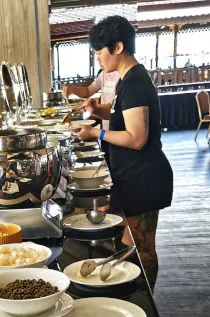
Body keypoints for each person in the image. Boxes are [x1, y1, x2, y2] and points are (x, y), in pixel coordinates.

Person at [75, 15, 173, 290]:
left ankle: (147, 302)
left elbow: (137, 137)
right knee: (129, 240)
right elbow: (122, 113)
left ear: (117, 47)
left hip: (145, 177)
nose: (98, 58)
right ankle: (134, 291)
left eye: (99, 52)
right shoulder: (126, 79)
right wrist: (98, 110)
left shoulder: (136, 83)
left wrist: (96, 133)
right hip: (131, 174)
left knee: (143, 247)